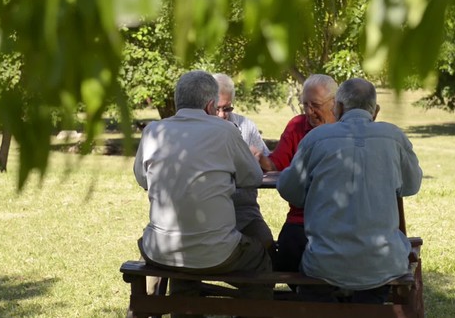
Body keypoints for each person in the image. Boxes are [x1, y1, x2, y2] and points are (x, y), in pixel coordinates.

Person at [133, 70, 272, 318]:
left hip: (160, 250)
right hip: (218, 252)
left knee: (185, 269)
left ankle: (185, 309)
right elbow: (254, 177)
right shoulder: (226, 131)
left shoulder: (153, 131)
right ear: (210, 105)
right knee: (261, 260)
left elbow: (142, 179)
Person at [276, 78, 423, 303]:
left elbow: (289, 189)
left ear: (339, 107)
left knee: (314, 286)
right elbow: (411, 186)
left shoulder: (315, 139)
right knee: (374, 286)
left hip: (325, 263)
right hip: (381, 264)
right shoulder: (394, 137)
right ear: (376, 111)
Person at [254, 74, 338, 274]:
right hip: (301, 217)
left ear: (335, 103)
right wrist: (261, 159)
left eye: (315, 105)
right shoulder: (297, 126)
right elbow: (278, 164)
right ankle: (304, 299)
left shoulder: (346, 128)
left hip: (340, 217)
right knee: (287, 252)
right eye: (305, 105)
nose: (309, 112)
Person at [213, 73, 274, 251]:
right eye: (217, 109)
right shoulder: (200, 130)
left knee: (267, 245)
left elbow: (270, 165)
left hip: (245, 211)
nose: (222, 115)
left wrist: (259, 158)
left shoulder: (245, 126)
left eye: (227, 109)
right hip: (212, 214)